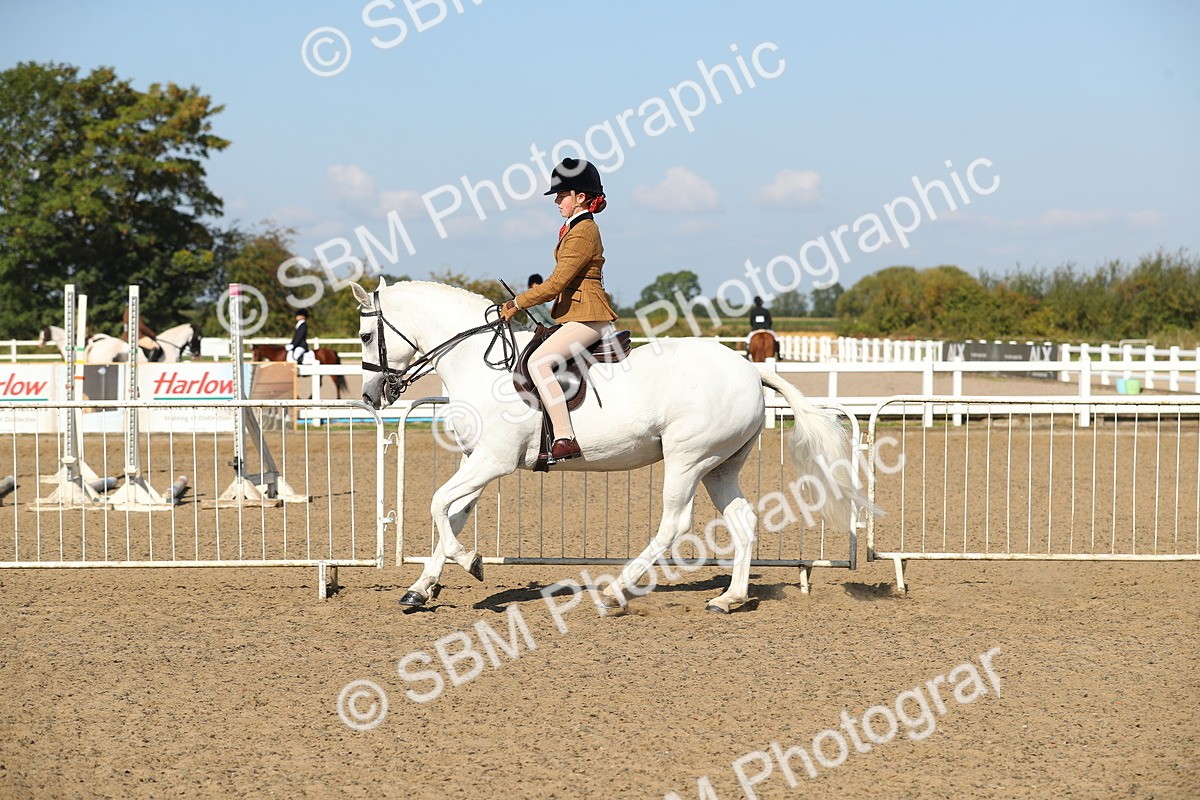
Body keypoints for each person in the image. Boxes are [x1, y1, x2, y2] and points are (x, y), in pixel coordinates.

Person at [500, 158, 617, 463]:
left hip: (589, 315)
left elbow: (555, 284)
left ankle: (565, 437)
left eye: (562, 194)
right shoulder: (573, 227)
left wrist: (517, 303)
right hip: (575, 313)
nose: (556, 200)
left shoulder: (583, 231)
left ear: (581, 197)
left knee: (539, 363)